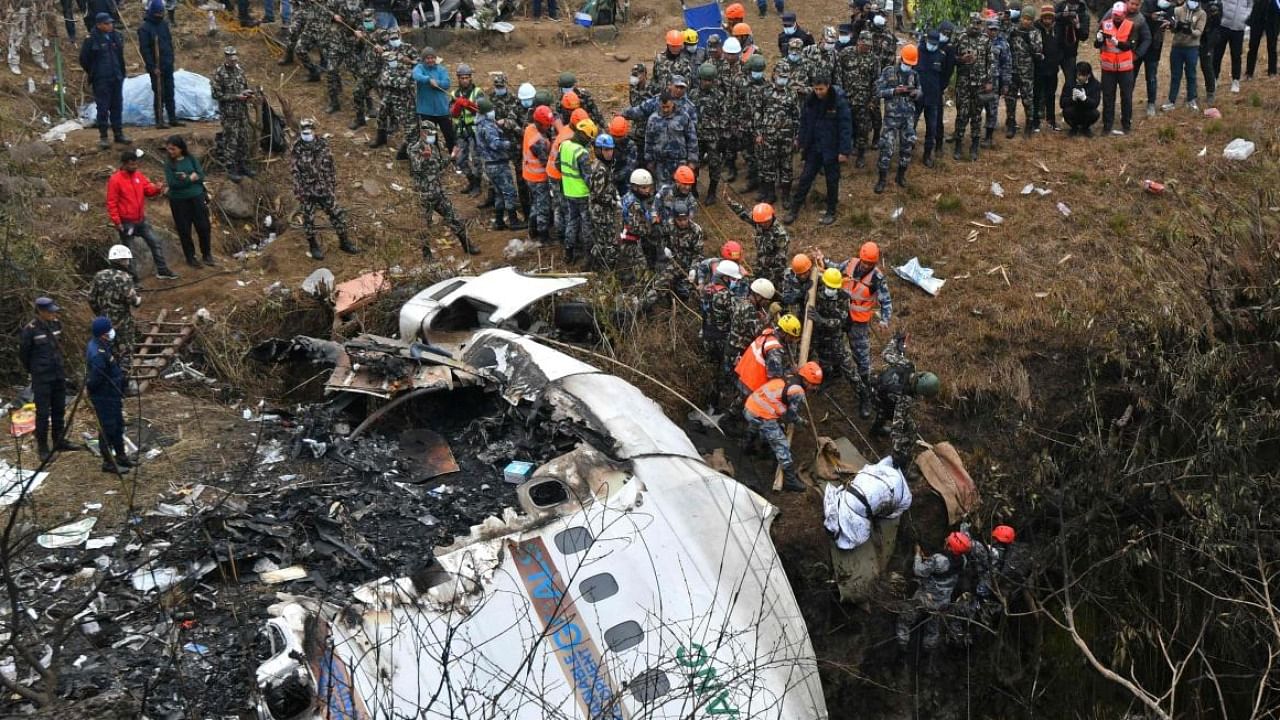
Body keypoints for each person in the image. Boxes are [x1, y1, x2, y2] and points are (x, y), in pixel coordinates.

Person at [831, 242, 892, 416]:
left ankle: (865, 394)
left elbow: (886, 301)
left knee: (862, 360)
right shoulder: (850, 263)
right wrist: (823, 260)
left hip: (858, 323)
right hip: (841, 314)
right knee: (834, 344)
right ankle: (835, 370)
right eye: (865, 262)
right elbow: (835, 268)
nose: (866, 265)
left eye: (870, 264)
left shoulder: (877, 278)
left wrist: (884, 320)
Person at [743, 362, 823, 492]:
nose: (814, 388)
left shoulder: (789, 376)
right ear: (806, 381)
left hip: (750, 405)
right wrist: (802, 422)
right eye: (813, 385)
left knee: (761, 426)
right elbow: (790, 416)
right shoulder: (798, 392)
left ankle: (748, 447)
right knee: (782, 445)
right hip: (761, 414)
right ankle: (789, 481)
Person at [785, 76, 850, 226]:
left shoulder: (837, 101)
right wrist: (800, 139)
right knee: (805, 178)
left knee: (832, 180)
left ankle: (831, 210)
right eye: (816, 89)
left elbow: (845, 126)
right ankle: (795, 208)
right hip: (814, 146)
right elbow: (804, 122)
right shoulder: (811, 100)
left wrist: (844, 151)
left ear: (828, 86)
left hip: (831, 148)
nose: (818, 92)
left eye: (821, 89)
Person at [291, 117, 358, 260]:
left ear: (314, 130)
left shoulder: (322, 144)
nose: (307, 134)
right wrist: (299, 192)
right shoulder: (297, 148)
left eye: (309, 131)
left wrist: (331, 186)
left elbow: (330, 167)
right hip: (307, 191)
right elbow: (295, 172)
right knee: (308, 219)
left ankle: (344, 242)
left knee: (337, 215)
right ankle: (313, 245)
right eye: (304, 132)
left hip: (324, 189)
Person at [896, 532, 971, 658]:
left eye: (949, 540)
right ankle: (928, 651)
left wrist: (917, 555)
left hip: (926, 598)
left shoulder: (939, 559)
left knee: (906, 616)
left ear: (950, 545)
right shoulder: (963, 560)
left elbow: (919, 571)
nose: (946, 538)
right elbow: (943, 568)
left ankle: (902, 643)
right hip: (943, 601)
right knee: (933, 626)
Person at [871, 331, 939, 469]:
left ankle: (875, 430)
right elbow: (897, 428)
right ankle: (900, 465)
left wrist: (896, 341)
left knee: (882, 412)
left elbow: (886, 354)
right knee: (911, 428)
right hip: (881, 399)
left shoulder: (908, 365)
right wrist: (899, 452)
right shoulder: (904, 399)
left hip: (875, 389)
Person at [408, 121, 476, 257]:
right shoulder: (413, 149)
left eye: (434, 134)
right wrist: (425, 158)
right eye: (430, 133)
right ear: (423, 133)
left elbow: (437, 167)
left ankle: (468, 246)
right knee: (425, 226)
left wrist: (451, 158)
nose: (432, 136)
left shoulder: (433, 148)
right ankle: (427, 255)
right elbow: (417, 168)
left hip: (438, 193)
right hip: (424, 195)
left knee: (454, 218)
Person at [106, 150, 175, 281]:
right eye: (132, 164)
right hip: (126, 222)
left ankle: (162, 270)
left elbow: (147, 190)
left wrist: (157, 188)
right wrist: (117, 222)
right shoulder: (115, 180)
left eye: (136, 164)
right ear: (125, 164)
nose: (135, 167)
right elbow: (111, 202)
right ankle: (133, 279)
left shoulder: (138, 175)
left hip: (141, 219)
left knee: (155, 242)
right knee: (129, 251)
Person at [19, 298, 70, 461]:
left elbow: (60, 345)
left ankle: (59, 440)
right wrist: (35, 371)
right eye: (50, 311)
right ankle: (43, 447)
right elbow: (24, 355)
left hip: (58, 374)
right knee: (42, 414)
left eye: (54, 310)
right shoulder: (30, 329)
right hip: (42, 378)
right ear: (40, 311)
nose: (53, 314)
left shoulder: (56, 324)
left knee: (59, 409)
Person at [89, 245, 142, 388]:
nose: (128, 262)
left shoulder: (98, 276)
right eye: (127, 260)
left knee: (106, 351)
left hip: (104, 323)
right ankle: (123, 384)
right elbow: (133, 301)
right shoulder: (125, 277)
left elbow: (91, 299)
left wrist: (100, 314)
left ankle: (106, 381)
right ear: (123, 260)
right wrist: (138, 299)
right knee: (125, 352)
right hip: (123, 323)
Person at [85, 316, 133, 474]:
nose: (113, 332)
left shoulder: (103, 345)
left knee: (118, 425)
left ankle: (121, 456)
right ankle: (108, 463)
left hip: (112, 395)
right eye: (109, 330)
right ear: (103, 334)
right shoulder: (97, 352)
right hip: (104, 397)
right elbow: (96, 378)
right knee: (108, 429)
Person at [1096, 0, 1150, 134]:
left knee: (1126, 97)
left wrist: (1118, 44)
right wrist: (1098, 40)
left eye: (1119, 15)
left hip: (1125, 68)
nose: (1117, 17)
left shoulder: (1131, 25)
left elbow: (1130, 45)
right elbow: (1097, 44)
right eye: (1115, 14)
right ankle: (1107, 125)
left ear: (1124, 14)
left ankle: (1126, 124)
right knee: (1108, 97)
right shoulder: (1105, 23)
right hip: (1108, 68)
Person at [875, 45, 921, 193]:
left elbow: (920, 91)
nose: (908, 66)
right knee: (886, 147)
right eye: (907, 63)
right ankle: (882, 179)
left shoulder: (915, 75)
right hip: (891, 119)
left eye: (911, 64)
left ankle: (901, 175)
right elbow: (878, 92)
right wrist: (894, 91)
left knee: (907, 146)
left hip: (908, 118)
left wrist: (915, 93)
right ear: (901, 59)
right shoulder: (888, 72)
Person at [163, 136, 214, 268]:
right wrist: (190, 179)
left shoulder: (191, 159)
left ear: (181, 149)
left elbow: (201, 175)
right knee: (184, 229)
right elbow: (173, 184)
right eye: (169, 149)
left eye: (173, 149)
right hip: (179, 201)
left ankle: (207, 254)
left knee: (203, 227)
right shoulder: (169, 164)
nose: (170, 152)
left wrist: (186, 179)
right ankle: (190, 257)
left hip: (197, 198)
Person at [811, 268, 865, 394]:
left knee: (848, 366)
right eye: (828, 286)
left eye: (833, 287)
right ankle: (829, 377)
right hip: (820, 337)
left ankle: (863, 394)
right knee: (824, 360)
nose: (830, 289)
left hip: (836, 338)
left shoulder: (843, 298)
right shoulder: (817, 292)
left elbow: (840, 322)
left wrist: (821, 320)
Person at [751, 64, 799, 205]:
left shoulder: (792, 93)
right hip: (768, 137)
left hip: (786, 137)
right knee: (768, 165)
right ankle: (770, 193)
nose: (782, 79)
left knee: (786, 166)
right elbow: (758, 113)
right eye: (780, 76)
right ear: (774, 74)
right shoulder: (764, 91)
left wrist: (796, 137)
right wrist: (758, 133)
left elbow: (796, 116)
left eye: (785, 77)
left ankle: (786, 195)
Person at [80, 13, 129, 150]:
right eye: (107, 24)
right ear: (99, 25)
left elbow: (120, 57)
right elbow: (84, 59)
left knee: (117, 106)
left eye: (111, 23)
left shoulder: (115, 36)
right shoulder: (91, 39)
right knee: (103, 108)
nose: (110, 25)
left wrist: (121, 73)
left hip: (116, 76)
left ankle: (118, 134)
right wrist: (94, 72)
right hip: (101, 80)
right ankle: (103, 137)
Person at [725, 278, 777, 406]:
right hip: (737, 351)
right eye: (764, 300)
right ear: (758, 296)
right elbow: (757, 332)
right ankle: (731, 411)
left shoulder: (748, 304)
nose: (765, 303)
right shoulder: (747, 308)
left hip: (738, 348)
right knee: (737, 384)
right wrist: (770, 315)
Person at [838, 31, 882, 169]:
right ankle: (843, 151)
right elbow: (838, 74)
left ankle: (861, 154)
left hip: (864, 101)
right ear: (858, 42)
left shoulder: (874, 59)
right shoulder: (845, 53)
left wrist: (873, 101)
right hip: (846, 99)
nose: (867, 48)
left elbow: (876, 82)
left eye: (869, 46)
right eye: (864, 45)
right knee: (844, 127)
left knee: (863, 129)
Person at [369, 30, 416, 159]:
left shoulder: (408, 48)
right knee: (382, 112)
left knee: (405, 119)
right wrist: (376, 49)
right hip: (389, 89)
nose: (394, 40)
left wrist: (409, 62)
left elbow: (419, 64)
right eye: (392, 38)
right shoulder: (387, 47)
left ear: (400, 36)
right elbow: (377, 53)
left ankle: (409, 147)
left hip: (403, 92)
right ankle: (381, 137)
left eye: (396, 37)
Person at [953, 14, 994, 161]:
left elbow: (990, 62)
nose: (975, 26)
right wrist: (961, 59)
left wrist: (989, 81)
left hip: (980, 84)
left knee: (976, 115)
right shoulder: (960, 38)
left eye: (978, 23)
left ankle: (974, 146)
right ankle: (958, 144)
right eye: (973, 23)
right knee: (962, 114)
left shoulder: (985, 40)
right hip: (963, 83)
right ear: (968, 23)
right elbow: (953, 58)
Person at [211, 46, 255, 181]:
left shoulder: (239, 70)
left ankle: (243, 165)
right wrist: (236, 97)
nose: (233, 61)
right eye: (230, 58)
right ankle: (231, 168)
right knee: (231, 140)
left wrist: (248, 93)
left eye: (235, 58)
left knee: (243, 139)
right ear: (226, 57)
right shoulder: (219, 73)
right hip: (229, 114)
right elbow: (216, 95)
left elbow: (244, 86)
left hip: (242, 112)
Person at [555, 118, 595, 262]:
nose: (590, 142)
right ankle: (588, 256)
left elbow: (557, 165)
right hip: (582, 194)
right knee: (586, 224)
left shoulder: (564, 145)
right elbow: (588, 178)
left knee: (572, 221)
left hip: (568, 191)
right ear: (584, 135)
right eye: (589, 138)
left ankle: (568, 253)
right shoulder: (582, 153)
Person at [726, 200, 789, 288]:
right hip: (760, 266)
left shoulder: (780, 235)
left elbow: (780, 261)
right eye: (760, 223)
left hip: (773, 271)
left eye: (765, 222)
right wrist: (730, 202)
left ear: (771, 218)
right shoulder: (760, 221)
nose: (763, 224)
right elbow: (744, 214)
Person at [643, 91, 699, 191]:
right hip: (661, 164)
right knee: (662, 192)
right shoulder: (653, 119)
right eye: (663, 106)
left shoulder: (683, 117)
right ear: (659, 103)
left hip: (680, 163)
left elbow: (692, 139)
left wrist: (692, 161)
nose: (665, 109)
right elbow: (649, 141)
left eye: (667, 107)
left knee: (681, 191)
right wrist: (649, 161)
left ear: (673, 103)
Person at [137, 0, 179, 129]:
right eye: (158, 13)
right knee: (159, 93)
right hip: (156, 67)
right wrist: (152, 67)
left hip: (167, 64)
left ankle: (172, 118)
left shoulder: (164, 24)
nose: (161, 15)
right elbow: (145, 50)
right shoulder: (144, 28)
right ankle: (159, 120)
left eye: (162, 13)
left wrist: (171, 59)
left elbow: (169, 43)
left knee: (170, 92)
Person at [688, 63, 726, 204]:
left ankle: (711, 192)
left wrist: (723, 137)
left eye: (709, 80)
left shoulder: (719, 96)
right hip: (696, 137)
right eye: (704, 80)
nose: (706, 83)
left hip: (713, 138)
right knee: (694, 164)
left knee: (715, 165)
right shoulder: (692, 94)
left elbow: (724, 116)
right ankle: (692, 188)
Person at [735, 313, 801, 394]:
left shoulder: (770, 333)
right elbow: (775, 377)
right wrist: (791, 371)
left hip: (745, 376)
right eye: (791, 337)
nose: (793, 340)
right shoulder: (774, 349)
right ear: (784, 333)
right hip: (752, 385)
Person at [916, 30, 951, 166]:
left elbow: (945, 75)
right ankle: (908, 148)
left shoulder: (941, 56)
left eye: (935, 44)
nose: (932, 45)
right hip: (918, 97)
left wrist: (939, 89)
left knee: (932, 128)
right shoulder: (918, 52)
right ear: (926, 40)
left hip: (933, 98)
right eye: (930, 43)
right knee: (911, 124)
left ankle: (927, 154)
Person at [1006, 10, 1044, 135]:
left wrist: (1029, 40)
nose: (1026, 21)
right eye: (1024, 18)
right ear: (1021, 18)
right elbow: (1004, 40)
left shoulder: (1035, 32)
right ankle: (1011, 124)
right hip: (1012, 70)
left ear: (1032, 20)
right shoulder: (1013, 29)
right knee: (1010, 98)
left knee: (1027, 98)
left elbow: (1038, 51)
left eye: (1029, 19)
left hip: (1027, 71)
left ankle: (1029, 123)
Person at [1164, 0, 1207, 109]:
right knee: (1175, 75)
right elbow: (1172, 28)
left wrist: (1190, 31)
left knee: (1191, 74)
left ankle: (1191, 99)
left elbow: (1199, 32)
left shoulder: (1202, 14)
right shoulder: (1177, 10)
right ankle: (1171, 100)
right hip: (1177, 47)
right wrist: (1174, 26)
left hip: (1192, 47)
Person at [522, 105, 555, 243]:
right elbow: (546, 162)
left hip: (529, 175)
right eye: (547, 126)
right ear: (539, 123)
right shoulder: (538, 142)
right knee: (543, 207)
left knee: (536, 203)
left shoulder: (530, 128)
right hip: (538, 178)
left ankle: (532, 230)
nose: (548, 128)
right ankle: (543, 236)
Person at [451, 63, 484, 196]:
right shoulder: (454, 94)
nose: (464, 80)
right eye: (462, 78)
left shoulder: (477, 92)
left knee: (476, 160)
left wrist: (470, 106)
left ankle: (477, 185)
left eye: (467, 77)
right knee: (459, 160)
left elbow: (483, 110)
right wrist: (458, 106)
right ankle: (471, 181)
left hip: (475, 130)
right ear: (458, 79)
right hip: (461, 130)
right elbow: (452, 114)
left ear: (470, 78)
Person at [412, 47, 454, 151]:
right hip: (426, 111)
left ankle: (453, 157)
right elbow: (416, 75)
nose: (430, 60)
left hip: (442, 110)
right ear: (423, 59)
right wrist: (428, 80)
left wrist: (438, 83)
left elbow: (447, 83)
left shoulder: (441, 69)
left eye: (432, 58)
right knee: (431, 138)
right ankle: (435, 158)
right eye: (427, 58)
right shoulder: (420, 68)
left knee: (449, 135)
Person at [348, 9, 383, 130]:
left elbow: (393, 48)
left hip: (380, 74)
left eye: (370, 20)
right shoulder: (363, 33)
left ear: (375, 19)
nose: (368, 22)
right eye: (365, 20)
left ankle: (389, 123)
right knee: (357, 93)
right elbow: (357, 50)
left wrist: (382, 48)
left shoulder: (382, 33)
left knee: (385, 99)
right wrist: (359, 39)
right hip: (367, 72)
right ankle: (360, 119)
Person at [1138, 0, 1172, 117]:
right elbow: (1140, 14)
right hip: (1139, 43)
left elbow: (1173, 19)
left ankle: (1151, 103)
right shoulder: (1148, 2)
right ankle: (1126, 103)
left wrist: (1169, 23)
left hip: (1155, 46)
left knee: (1151, 77)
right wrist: (1150, 16)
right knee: (1131, 76)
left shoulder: (1168, 6)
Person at [983, 18, 1012, 147]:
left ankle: (989, 136)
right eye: (991, 29)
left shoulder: (1003, 44)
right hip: (979, 80)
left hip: (994, 81)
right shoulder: (981, 41)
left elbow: (1007, 65)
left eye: (995, 29)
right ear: (986, 29)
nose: (993, 32)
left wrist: (1005, 84)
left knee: (992, 109)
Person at [278, 0, 323, 82]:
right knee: (293, 31)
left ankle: (318, 68)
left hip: (316, 13)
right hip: (301, 8)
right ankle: (289, 56)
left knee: (317, 40)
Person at [1034, 6, 1064, 130]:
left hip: (1052, 69)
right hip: (1039, 69)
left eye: (1049, 18)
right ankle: (1035, 121)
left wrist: (1057, 60)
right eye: (1045, 18)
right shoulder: (1036, 29)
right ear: (1042, 18)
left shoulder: (1057, 30)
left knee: (1050, 95)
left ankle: (1051, 121)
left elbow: (1062, 47)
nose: (1047, 20)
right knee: (1037, 95)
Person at [1213, 0, 1249, 92]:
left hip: (1239, 28)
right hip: (1223, 25)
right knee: (1217, 54)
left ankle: (1236, 81)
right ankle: (1214, 78)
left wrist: (1246, 16)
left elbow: (1251, 5)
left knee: (1236, 55)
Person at [8, 0, 49, 76]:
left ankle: (38, 58)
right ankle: (13, 62)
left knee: (35, 32)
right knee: (17, 34)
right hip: (19, 6)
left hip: (35, 5)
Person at [1061, 60, 1102, 133]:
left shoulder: (1095, 84)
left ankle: (1085, 128)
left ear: (1088, 75)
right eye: (1078, 74)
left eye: (1082, 75)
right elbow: (1062, 103)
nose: (1079, 77)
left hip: (1087, 111)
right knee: (1066, 111)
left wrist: (1085, 98)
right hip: (1073, 109)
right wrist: (1072, 99)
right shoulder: (1070, 82)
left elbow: (1095, 103)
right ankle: (1074, 127)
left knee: (1095, 113)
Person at [1054, 0, 1091, 79]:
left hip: (1070, 52)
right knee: (1051, 78)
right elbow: (1050, 18)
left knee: (1071, 79)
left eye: (1074, 5)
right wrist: (1062, 15)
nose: (1072, 7)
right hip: (1055, 49)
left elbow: (1084, 36)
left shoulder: (1083, 13)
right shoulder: (1060, 6)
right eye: (1070, 4)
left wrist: (1077, 26)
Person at [1246, 0, 1278, 77]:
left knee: (1272, 46)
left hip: (1273, 16)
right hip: (1257, 13)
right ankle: (1249, 72)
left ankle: (1272, 71)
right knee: (1253, 45)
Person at [1199, 0, 1223, 103]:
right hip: (1193, 37)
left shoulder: (1216, 3)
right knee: (1190, 67)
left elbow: (1217, 23)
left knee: (1207, 66)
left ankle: (1210, 92)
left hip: (1207, 39)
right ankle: (1191, 94)